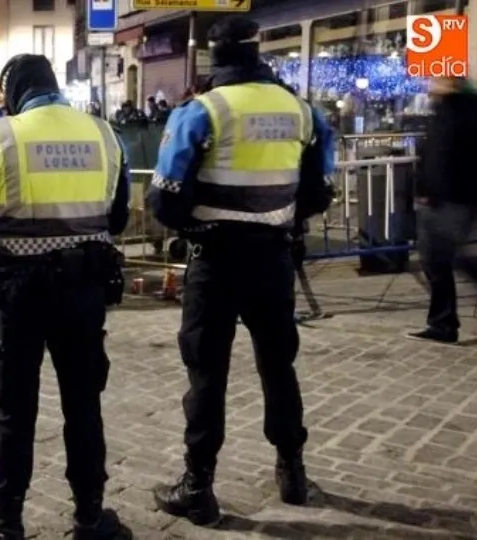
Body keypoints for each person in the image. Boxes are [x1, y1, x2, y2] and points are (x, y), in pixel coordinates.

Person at [146, 16, 335, 527]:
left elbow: (164, 198)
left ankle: (198, 486)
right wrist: (277, 217)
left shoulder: (202, 111)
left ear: (216, 56)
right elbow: (320, 190)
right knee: (279, 365)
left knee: (207, 372)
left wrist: (197, 222)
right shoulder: (302, 111)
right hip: (273, 256)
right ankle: (293, 471)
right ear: (257, 52)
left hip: (216, 259)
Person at [0, 54, 132, 540]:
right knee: (84, 405)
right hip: (84, 291)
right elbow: (118, 218)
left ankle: (7, 522)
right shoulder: (104, 134)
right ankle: (90, 518)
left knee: (14, 408)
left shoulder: (0, 137)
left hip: (19, 295)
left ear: (12, 92)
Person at [409, 76, 477, 344]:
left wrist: (427, 190)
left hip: (447, 199)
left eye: (437, 81)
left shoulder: (453, 111)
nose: (431, 85)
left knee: (439, 260)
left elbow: (441, 155)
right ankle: (443, 323)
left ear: (451, 85)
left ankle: (443, 324)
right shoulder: (467, 109)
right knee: (449, 260)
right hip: (458, 197)